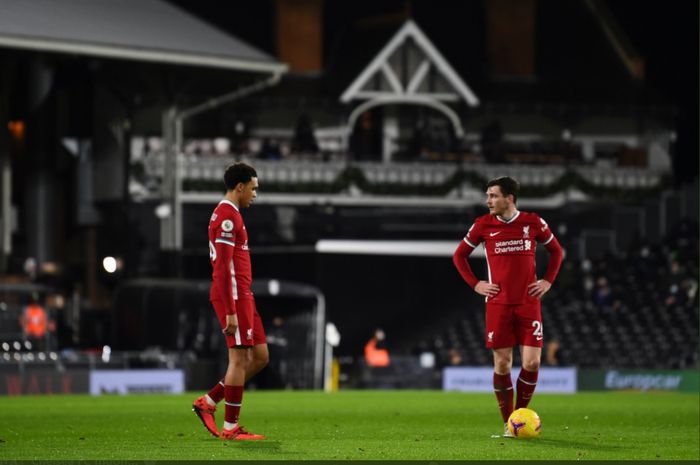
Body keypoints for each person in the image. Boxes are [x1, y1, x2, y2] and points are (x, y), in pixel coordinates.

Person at [452, 176, 563, 438]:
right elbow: (459, 255)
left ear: (509, 198)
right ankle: (508, 424)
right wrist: (476, 284)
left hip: (528, 303)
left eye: (493, 195)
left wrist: (547, 281)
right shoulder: (483, 225)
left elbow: (557, 252)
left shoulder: (532, 222)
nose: (488, 200)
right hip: (498, 304)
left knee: (532, 363)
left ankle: (519, 418)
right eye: (488, 195)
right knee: (502, 365)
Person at [192, 162, 268, 441]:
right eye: (253, 188)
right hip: (233, 296)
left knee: (260, 357)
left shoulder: (231, 214)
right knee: (239, 360)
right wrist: (231, 312)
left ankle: (209, 402)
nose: (255, 194)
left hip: (244, 294)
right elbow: (223, 268)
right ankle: (230, 428)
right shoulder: (227, 216)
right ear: (240, 187)